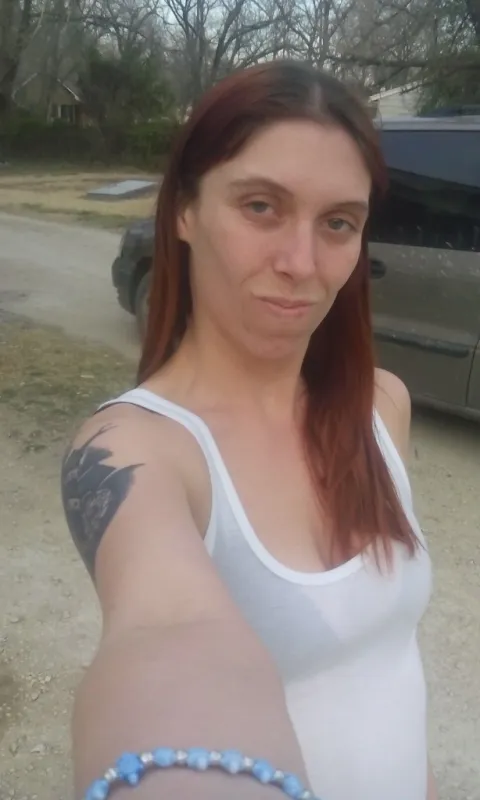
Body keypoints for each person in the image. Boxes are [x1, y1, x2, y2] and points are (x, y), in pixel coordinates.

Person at [61, 60, 437, 800]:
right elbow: (164, 633)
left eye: (338, 223)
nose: (301, 263)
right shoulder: (136, 447)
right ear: (185, 211)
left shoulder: (381, 406)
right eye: (261, 206)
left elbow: (389, 662)